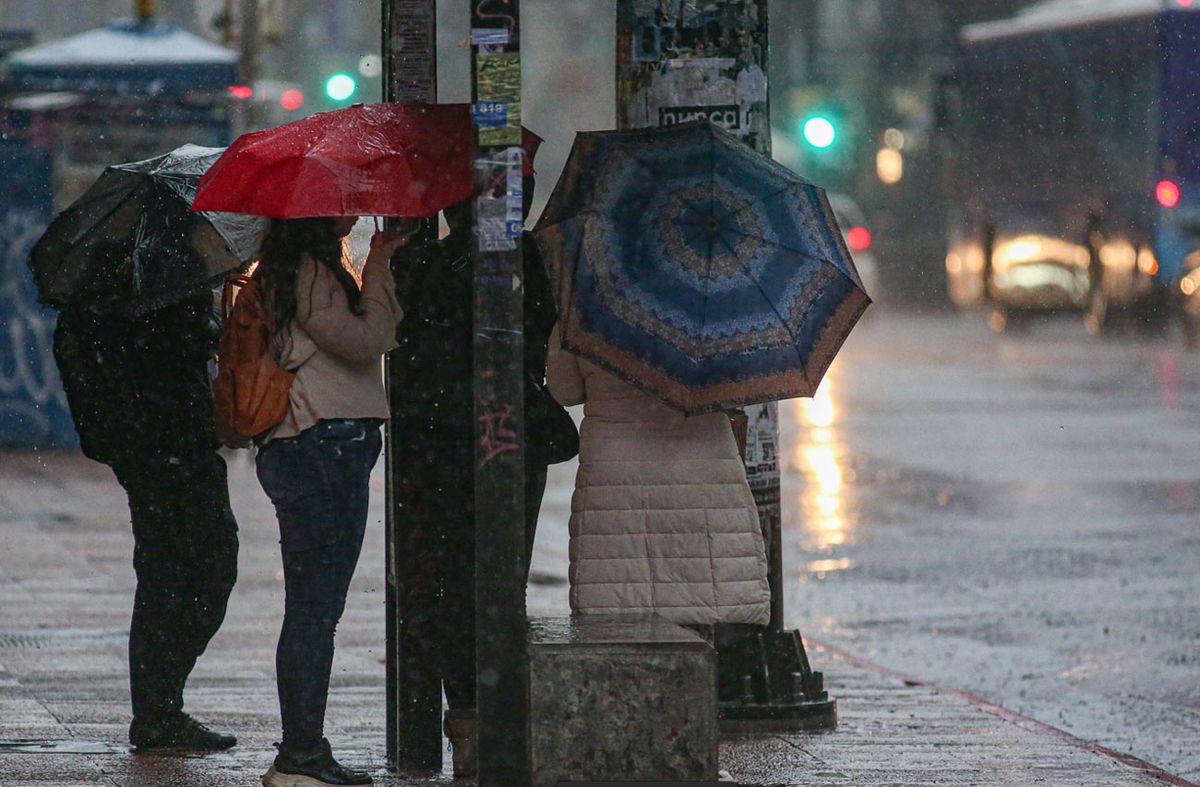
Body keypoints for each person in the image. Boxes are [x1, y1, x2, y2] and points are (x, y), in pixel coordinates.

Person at [389, 179, 577, 777]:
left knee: (448, 583)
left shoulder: (427, 262)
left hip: (440, 445)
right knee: (499, 582)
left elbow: (405, 348)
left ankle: (466, 719)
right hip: (505, 439)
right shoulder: (527, 262)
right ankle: (488, 718)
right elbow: (547, 336)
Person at [252, 217, 408, 787]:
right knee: (316, 611)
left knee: (314, 608)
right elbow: (367, 340)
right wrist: (382, 261)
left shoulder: (292, 269)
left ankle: (302, 751)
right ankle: (301, 756)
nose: (351, 211)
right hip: (323, 442)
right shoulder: (310, 273)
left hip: (317, 444)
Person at [53, 284, 239, 752]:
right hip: (169, 453)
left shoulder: (128, 289)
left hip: (161, 454)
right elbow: (170, 361)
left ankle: (160, 706)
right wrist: (207, 323)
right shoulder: (149, 296)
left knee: (174, 576)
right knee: (190, 575)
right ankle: (159, 711)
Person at [545, 328, 771, 633]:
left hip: (617, 467)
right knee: (702, 587)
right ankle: (704, 669)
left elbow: (564, 390)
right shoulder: (709, 309)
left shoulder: (587, 305)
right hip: (701, 464)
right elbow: (741, 382)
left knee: (619, 602)